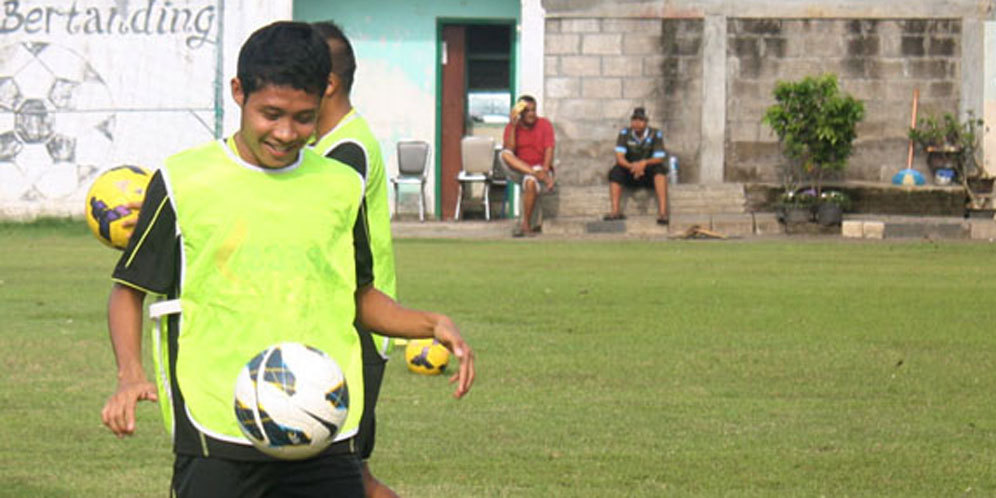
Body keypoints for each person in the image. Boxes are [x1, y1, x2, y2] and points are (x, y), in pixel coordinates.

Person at [100, 21, 474, 498]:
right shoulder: (182, 181)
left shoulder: (342, 185)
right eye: (270, 113)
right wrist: (130, 374)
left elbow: (358, 296)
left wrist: (430, 323)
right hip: (219, 430)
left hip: (325, 424)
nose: (285, 132)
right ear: (239, 93)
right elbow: (129, 290)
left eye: (303, 117)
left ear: (325, 98)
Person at [310, 20, 398, 498]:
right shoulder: (323, 144)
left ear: (328, 84)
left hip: (356, 327)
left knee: (347, 478)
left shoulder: (347, 150)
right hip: (340, 323)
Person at [500, 95, 555, 237]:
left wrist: (545, 169)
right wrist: (513, 126)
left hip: (538, 167)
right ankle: (535, 174)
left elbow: (549, 148)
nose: (531, 114)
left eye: (533, 110)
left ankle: (526, 224)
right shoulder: (512, 127)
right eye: (527, 111)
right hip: (519, 168)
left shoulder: (544, 124)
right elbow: (510, 149)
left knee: (530, 182)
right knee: (504, 154)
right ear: (521, 113)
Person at [603, 107, 669, 225]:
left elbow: (659, 157)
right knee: (615, 172)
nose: (637, 123)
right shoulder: (625, 134)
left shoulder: (655, 134)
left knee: (660, 170)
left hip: (648, 170)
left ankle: (663, 213)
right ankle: (615, 211)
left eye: (640, 120)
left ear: (646, 122)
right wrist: (632, 166)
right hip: (631, 170)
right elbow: (619, 157)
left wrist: (644, 163)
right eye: (634, 120)